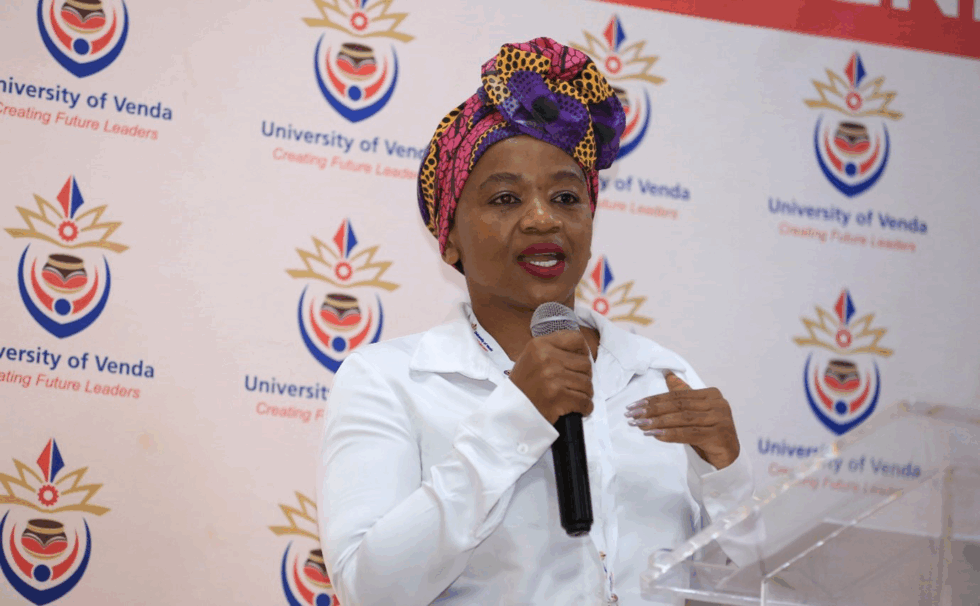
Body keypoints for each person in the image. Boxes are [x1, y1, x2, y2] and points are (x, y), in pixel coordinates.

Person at [316, 37, 753, 605]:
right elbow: (371, 589)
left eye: (567, 197)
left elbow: (738, 590)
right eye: (505, 199)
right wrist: (515, 419)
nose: (543, 219)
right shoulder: (389, 380)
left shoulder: (658, 376)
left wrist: (728, 476)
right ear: (449, 239)